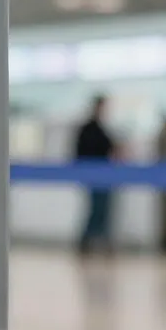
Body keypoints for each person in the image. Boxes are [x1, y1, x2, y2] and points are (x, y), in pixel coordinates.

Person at [75, 95, 117, 254]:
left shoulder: (102, 128)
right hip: (94, 175)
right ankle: (87, 242)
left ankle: (100, 241)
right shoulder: (89, 129)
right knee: (96, 209)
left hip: (104, 175)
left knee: (103, 209)